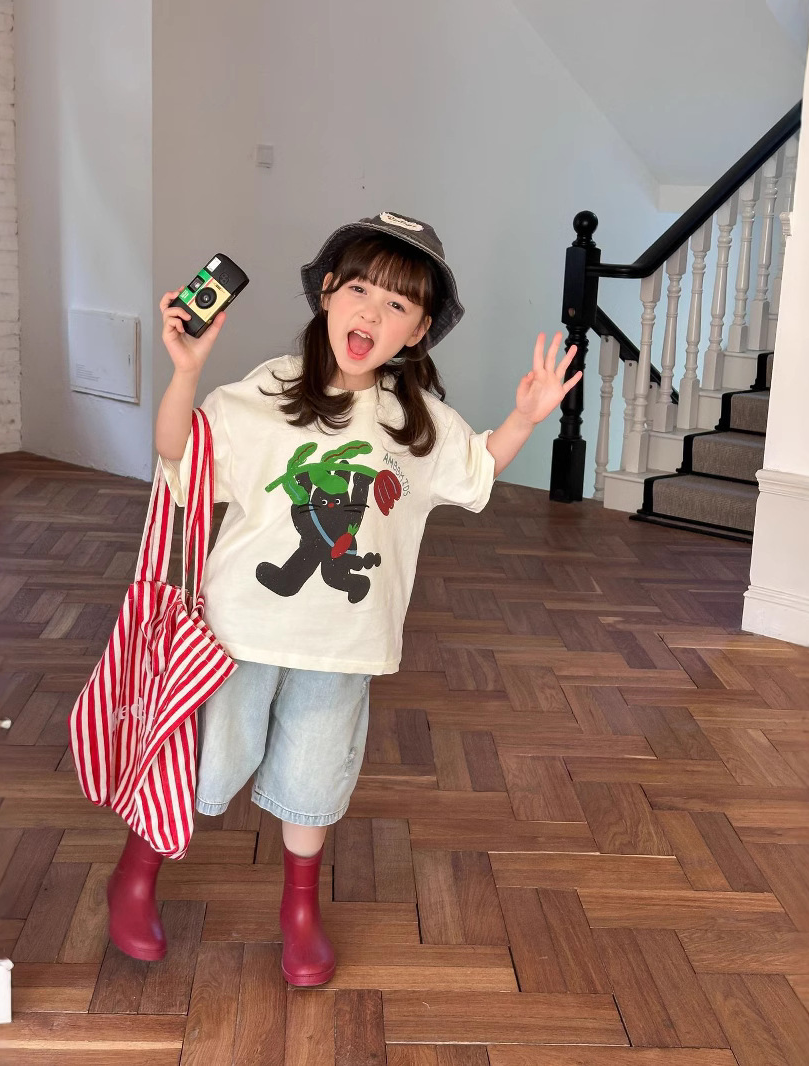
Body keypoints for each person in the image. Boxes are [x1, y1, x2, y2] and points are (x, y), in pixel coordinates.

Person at [106, 211, 581, 985]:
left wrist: (523, 419)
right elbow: (176, 453)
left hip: (344, 644)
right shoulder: (266, 391)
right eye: (359, 289)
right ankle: (136, 873)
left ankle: (300, 910)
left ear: (418, 331)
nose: (370, 313)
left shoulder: (415, 423)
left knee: (315, 774)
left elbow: (476, 472)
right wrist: (185, 371)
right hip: (237, 634)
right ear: (327, 292)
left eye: (397, 304)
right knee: (201, 762)